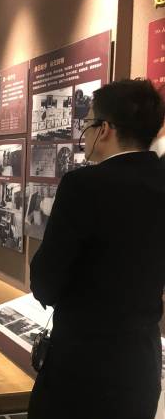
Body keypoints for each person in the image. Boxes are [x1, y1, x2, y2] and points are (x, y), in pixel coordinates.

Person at [28, 79, 165, 419]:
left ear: (105, 129)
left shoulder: (83, 186)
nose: (85, 133)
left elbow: (46, 280)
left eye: (88, 123)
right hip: (141, 364)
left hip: (83, 365)